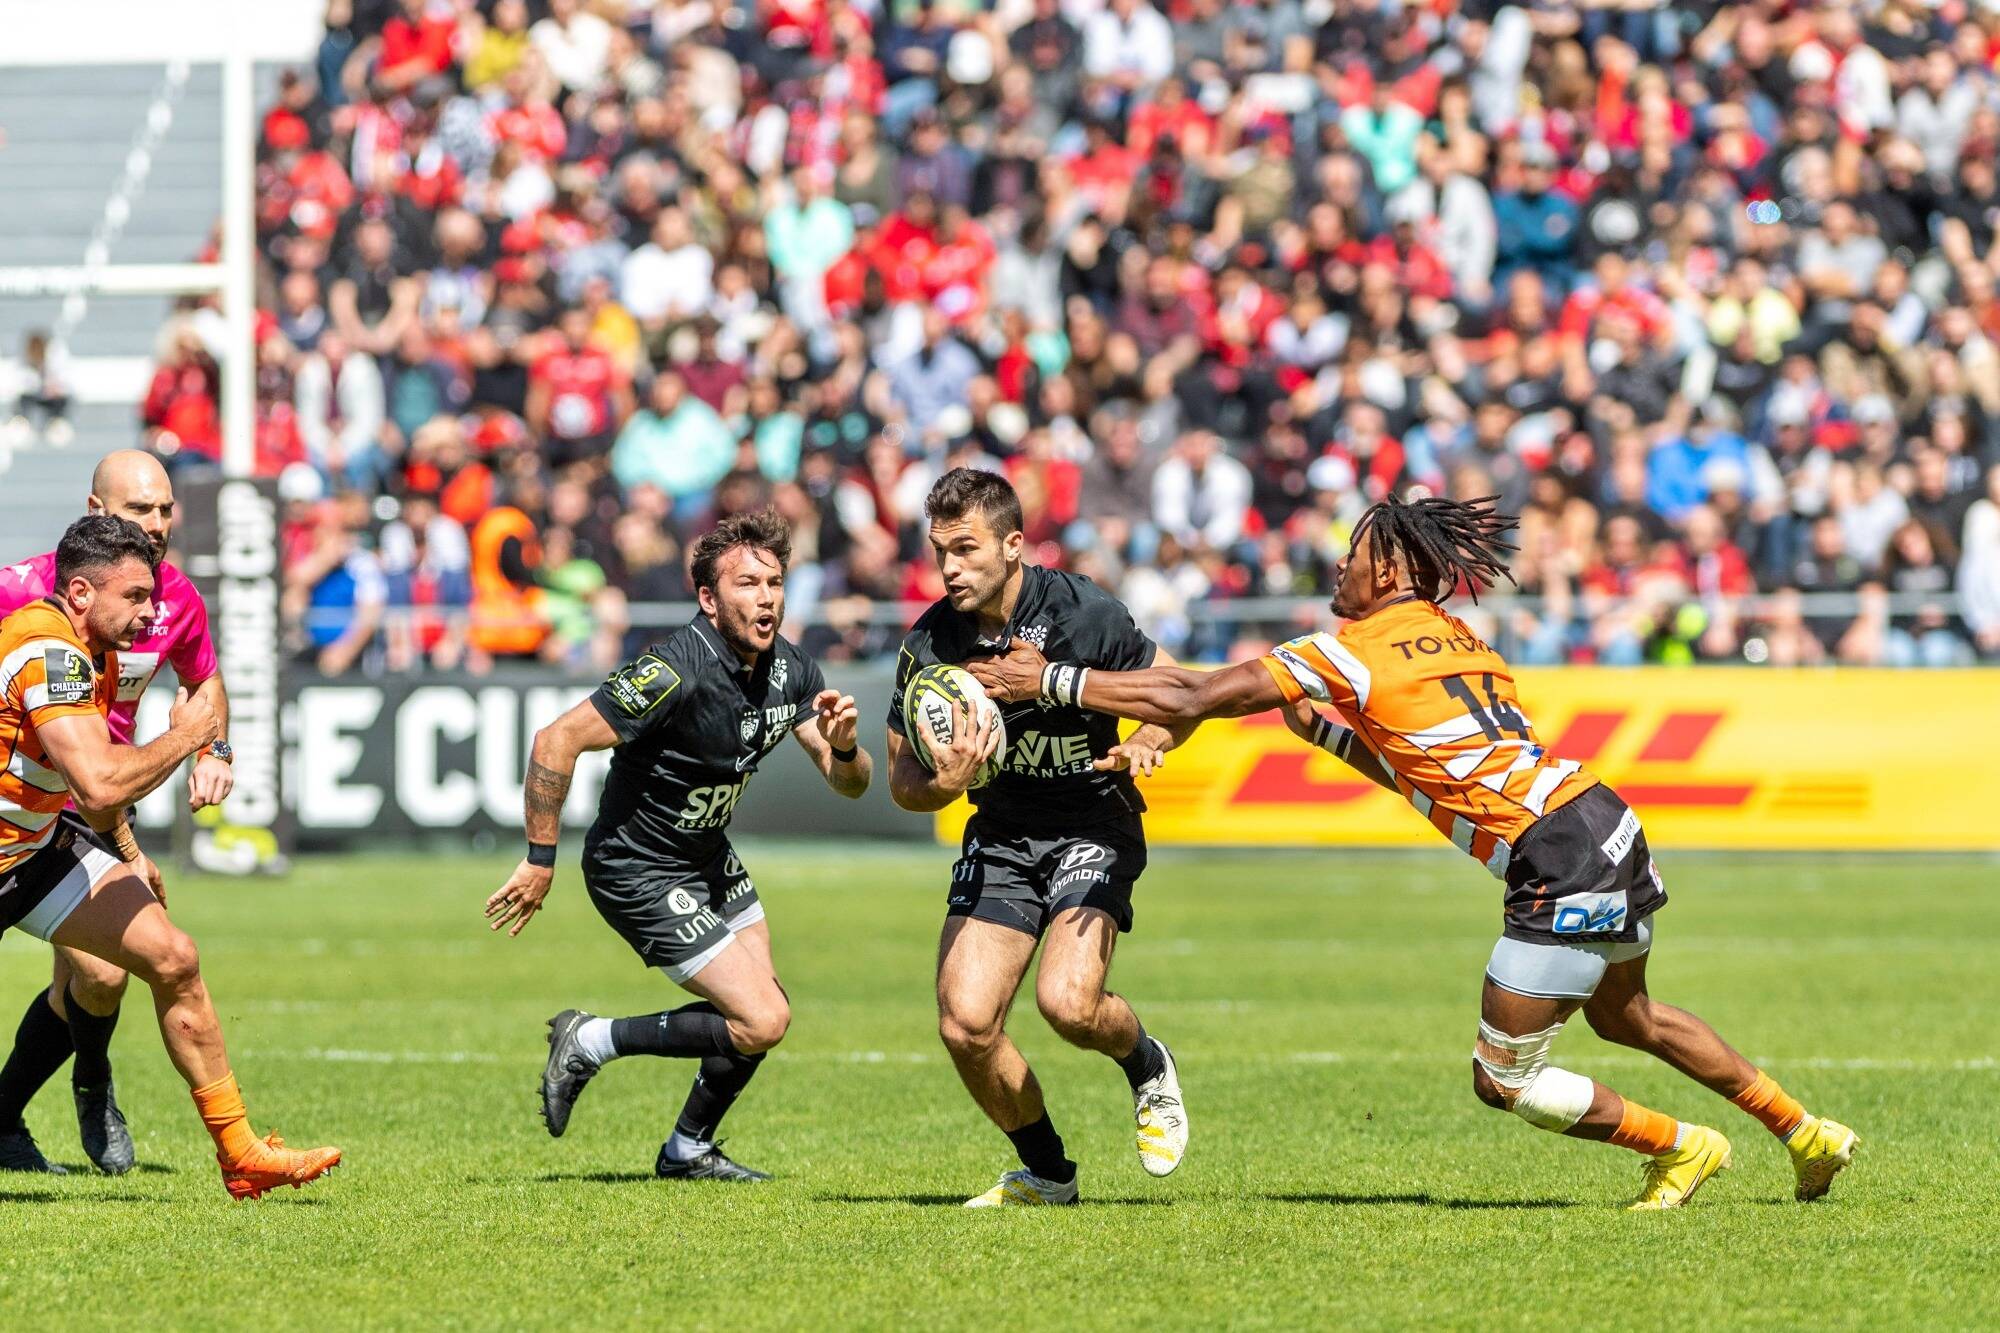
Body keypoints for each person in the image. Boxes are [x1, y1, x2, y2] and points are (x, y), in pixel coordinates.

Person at [971, 493, 1860, 1209]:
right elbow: (1422, 769)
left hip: (1555, 858)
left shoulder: (1352, 650)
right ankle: (1805, 1131)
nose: (1338, 561)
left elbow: (1197, 691)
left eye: (1352, 550)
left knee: (1501, 1079)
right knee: (1630, 1017)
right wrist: (1335, 743)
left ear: (1388, 566)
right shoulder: (1456, 637)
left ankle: (1682, 1146)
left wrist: (1044, 677)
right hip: (1603, 819)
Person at [485, 510, 871, 1181]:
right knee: (763, 1017)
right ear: (709, 598)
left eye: (775, 582)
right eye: (748, 583)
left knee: (757, 1007)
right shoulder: (673, 669)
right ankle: (591, 1038)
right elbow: (556, 740)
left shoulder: (792, 670)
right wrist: (539, 859)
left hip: (703, 850)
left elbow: (849, 785)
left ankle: (687, 1147)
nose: (767, 597)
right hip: (635, 862)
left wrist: (845, 745)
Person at [0, 516, 338, 1199]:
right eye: (135, 596)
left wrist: (127, 854)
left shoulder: (90, 651)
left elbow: (92, 793)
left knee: (172, 955)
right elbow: (99, 781)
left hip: (30, 853)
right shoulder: (49, 648)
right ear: (81, 593)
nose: (151, 611)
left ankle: (241, 1154)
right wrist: (187, 737)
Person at [885, 468, 1192, 1208]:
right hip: (1002, 831)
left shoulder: (1085, 613)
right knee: (965, 1024)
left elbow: (1177, 691)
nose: (950, 566)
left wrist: (1151, 736)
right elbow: (902, 779)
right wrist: (946, 784)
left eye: (966, 548)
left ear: (1014, 544)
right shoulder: (930, 643)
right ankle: (1049, 1174)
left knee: (1068, 1003)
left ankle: (1147, 1061)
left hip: (1093, 819)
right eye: (940, 551)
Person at [0, 451, 235, 1176]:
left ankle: (84, 1088)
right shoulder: (24, 594)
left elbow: (205, 682)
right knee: (105, 972)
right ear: (97, 512)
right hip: (58, 796)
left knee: (120, 966)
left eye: (166, 509)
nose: (159, 525)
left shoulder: (173, 598)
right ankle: (77, 1092)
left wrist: (215, 747)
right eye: (141, 511)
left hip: (96, 798)